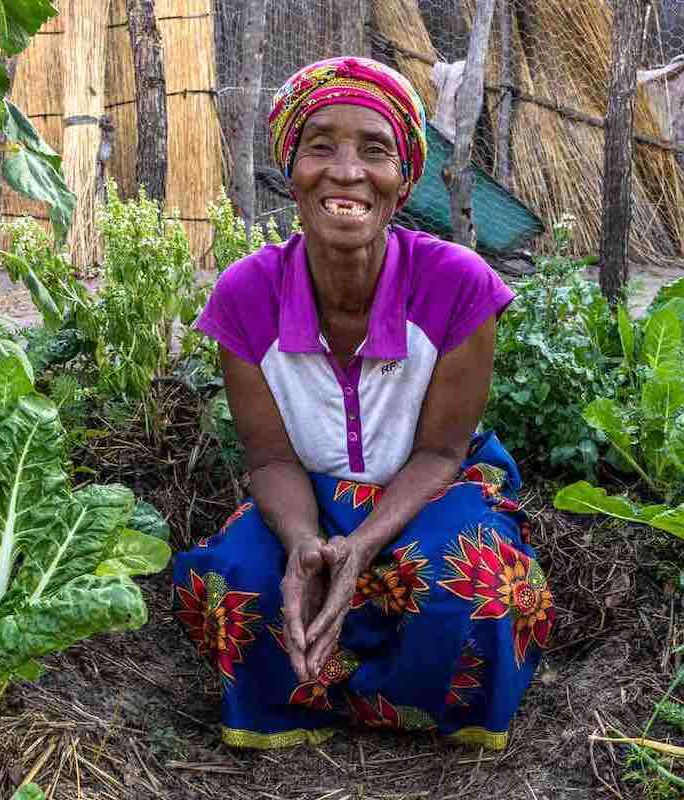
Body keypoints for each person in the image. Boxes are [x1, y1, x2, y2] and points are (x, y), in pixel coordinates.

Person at [173, 56, 555, 750]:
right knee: (241, 587)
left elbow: (441, 450)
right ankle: (311, 700)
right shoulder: (244, 296)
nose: (346, 172)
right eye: (320, 146)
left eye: (373, 151)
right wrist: (303, 547)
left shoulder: (456, 286)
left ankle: (403, 703)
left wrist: (363, 548)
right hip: (306, 494)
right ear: (290, 171)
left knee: (475, 587)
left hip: (433, 487)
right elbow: (268, 458)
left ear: (404, 179)